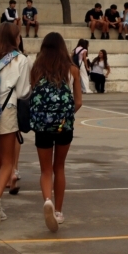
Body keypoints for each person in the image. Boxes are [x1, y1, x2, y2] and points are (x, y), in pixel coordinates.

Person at [28, 32, 82, 232]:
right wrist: (65, 116)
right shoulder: (72, 70)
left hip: (42, 126)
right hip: (63, 126)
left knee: (45, 169)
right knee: (59, 166)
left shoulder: (37, 69)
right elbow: (78, 102)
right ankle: (58, 211)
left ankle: (47, 201)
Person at [0, 22, 32, 230]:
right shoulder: (21, 59)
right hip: (7, 110)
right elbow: (22, 92)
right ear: (15, 38)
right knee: (7, 162)